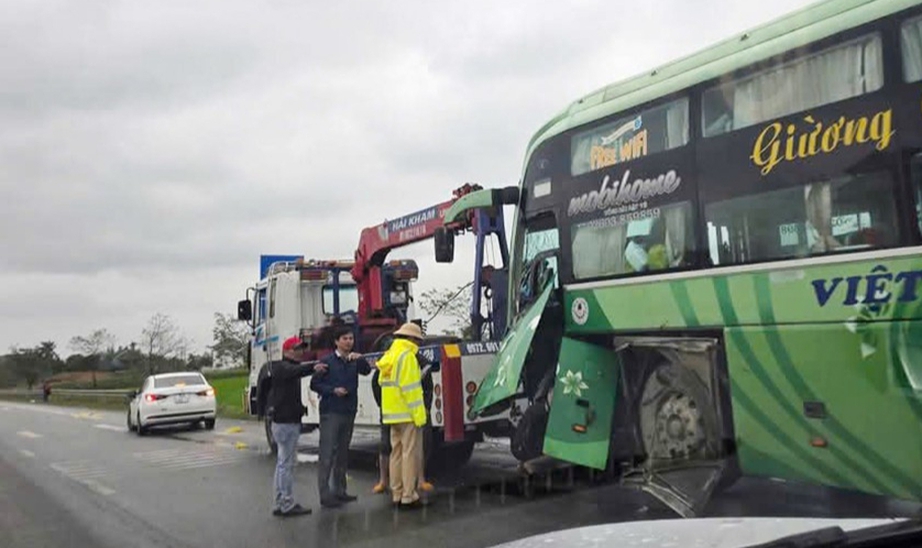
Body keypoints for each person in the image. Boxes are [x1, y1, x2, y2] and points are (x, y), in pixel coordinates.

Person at [264, 335, 328, 518]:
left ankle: (280, 501)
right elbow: (295, 371)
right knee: (286, 463)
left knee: (283, 463)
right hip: (285, 423)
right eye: (297, 348)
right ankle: (286, 503)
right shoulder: (282, 368)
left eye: (301, 348)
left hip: (285, 421)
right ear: (287, 351)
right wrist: (312, 367)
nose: (301, 352)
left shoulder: (285, 368)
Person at [310, 326, 371, 508]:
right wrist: (332, 390)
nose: (348, 342)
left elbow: (367, 371)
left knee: (343, 453)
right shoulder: (327, 361)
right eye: (344, 338)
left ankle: (340, 490)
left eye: (351, 338)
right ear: (336, 341)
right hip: (331, 411)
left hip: (348, 410)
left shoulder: (354, 360)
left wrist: (360, 359)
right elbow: (315, 384)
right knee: (328, 453)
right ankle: (325, 493)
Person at [376, 322, 429, 509]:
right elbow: (411, 390)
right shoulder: (407, 357)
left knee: (396, 453)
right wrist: (419, 415)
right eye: (418, 340)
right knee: (409, 454)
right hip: (407, 414)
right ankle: (409, 496)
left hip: (391, 414)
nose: (419, 344)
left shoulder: (389, 355)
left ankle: (396, 493)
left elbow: (383, 384)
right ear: (412, 339)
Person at [371, 351, 434, 495]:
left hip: (414, 412)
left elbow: (428, 386)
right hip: (391, 412)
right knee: (387, 446)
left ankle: (419, 480)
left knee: (417, 446)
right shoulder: (388, 358)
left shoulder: (419, 360)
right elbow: (376, 384)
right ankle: (384, 482)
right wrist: (383, 405)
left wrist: (426, 407)